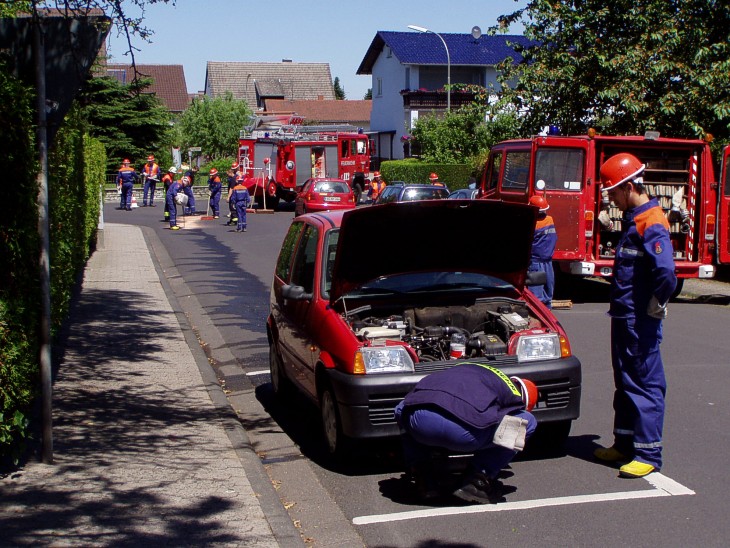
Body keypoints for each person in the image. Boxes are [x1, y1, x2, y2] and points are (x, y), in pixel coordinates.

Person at [593, 152, 677, 478]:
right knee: (626, 381)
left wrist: (658, 300)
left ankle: (648, 453)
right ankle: (625, 444)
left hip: (639, 318)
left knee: (645, 382)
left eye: (613, 193)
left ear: (629, 187)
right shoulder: (634, 219)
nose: (612, 199)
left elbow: (666, 273)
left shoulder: (651, 222)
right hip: (624, 315)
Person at [395, 363, 538, 503]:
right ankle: (477, 480)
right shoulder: (513, 393)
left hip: (421, 425)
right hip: (463, 435)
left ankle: (423, 477)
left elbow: (399, 411)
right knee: (527, 422)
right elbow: (512, 419)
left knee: (402, 408)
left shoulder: (474, 370)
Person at [528, 195, 558, 308]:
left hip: (536, 263)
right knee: (547, 294)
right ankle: (547, 313)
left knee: (536, 296)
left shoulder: (532, 224)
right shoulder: (550, 219)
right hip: (547, 262)